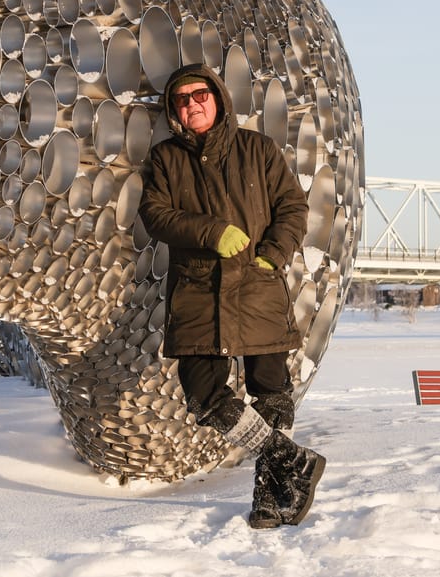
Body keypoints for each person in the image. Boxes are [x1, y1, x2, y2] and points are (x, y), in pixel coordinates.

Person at [139, 62, 325, 529]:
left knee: (271, 393)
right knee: (203, 394)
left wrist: (272, 257)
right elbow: (155, 215)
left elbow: (292, 207)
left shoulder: (257, 149)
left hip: (257, 286)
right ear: (174, 110)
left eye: (200, 95)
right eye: (182, 99)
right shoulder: (165, 158)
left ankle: (270, 495)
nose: (191, 104)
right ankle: (291, 459)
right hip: (199, 292)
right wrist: (210, 231)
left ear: (218, 98)